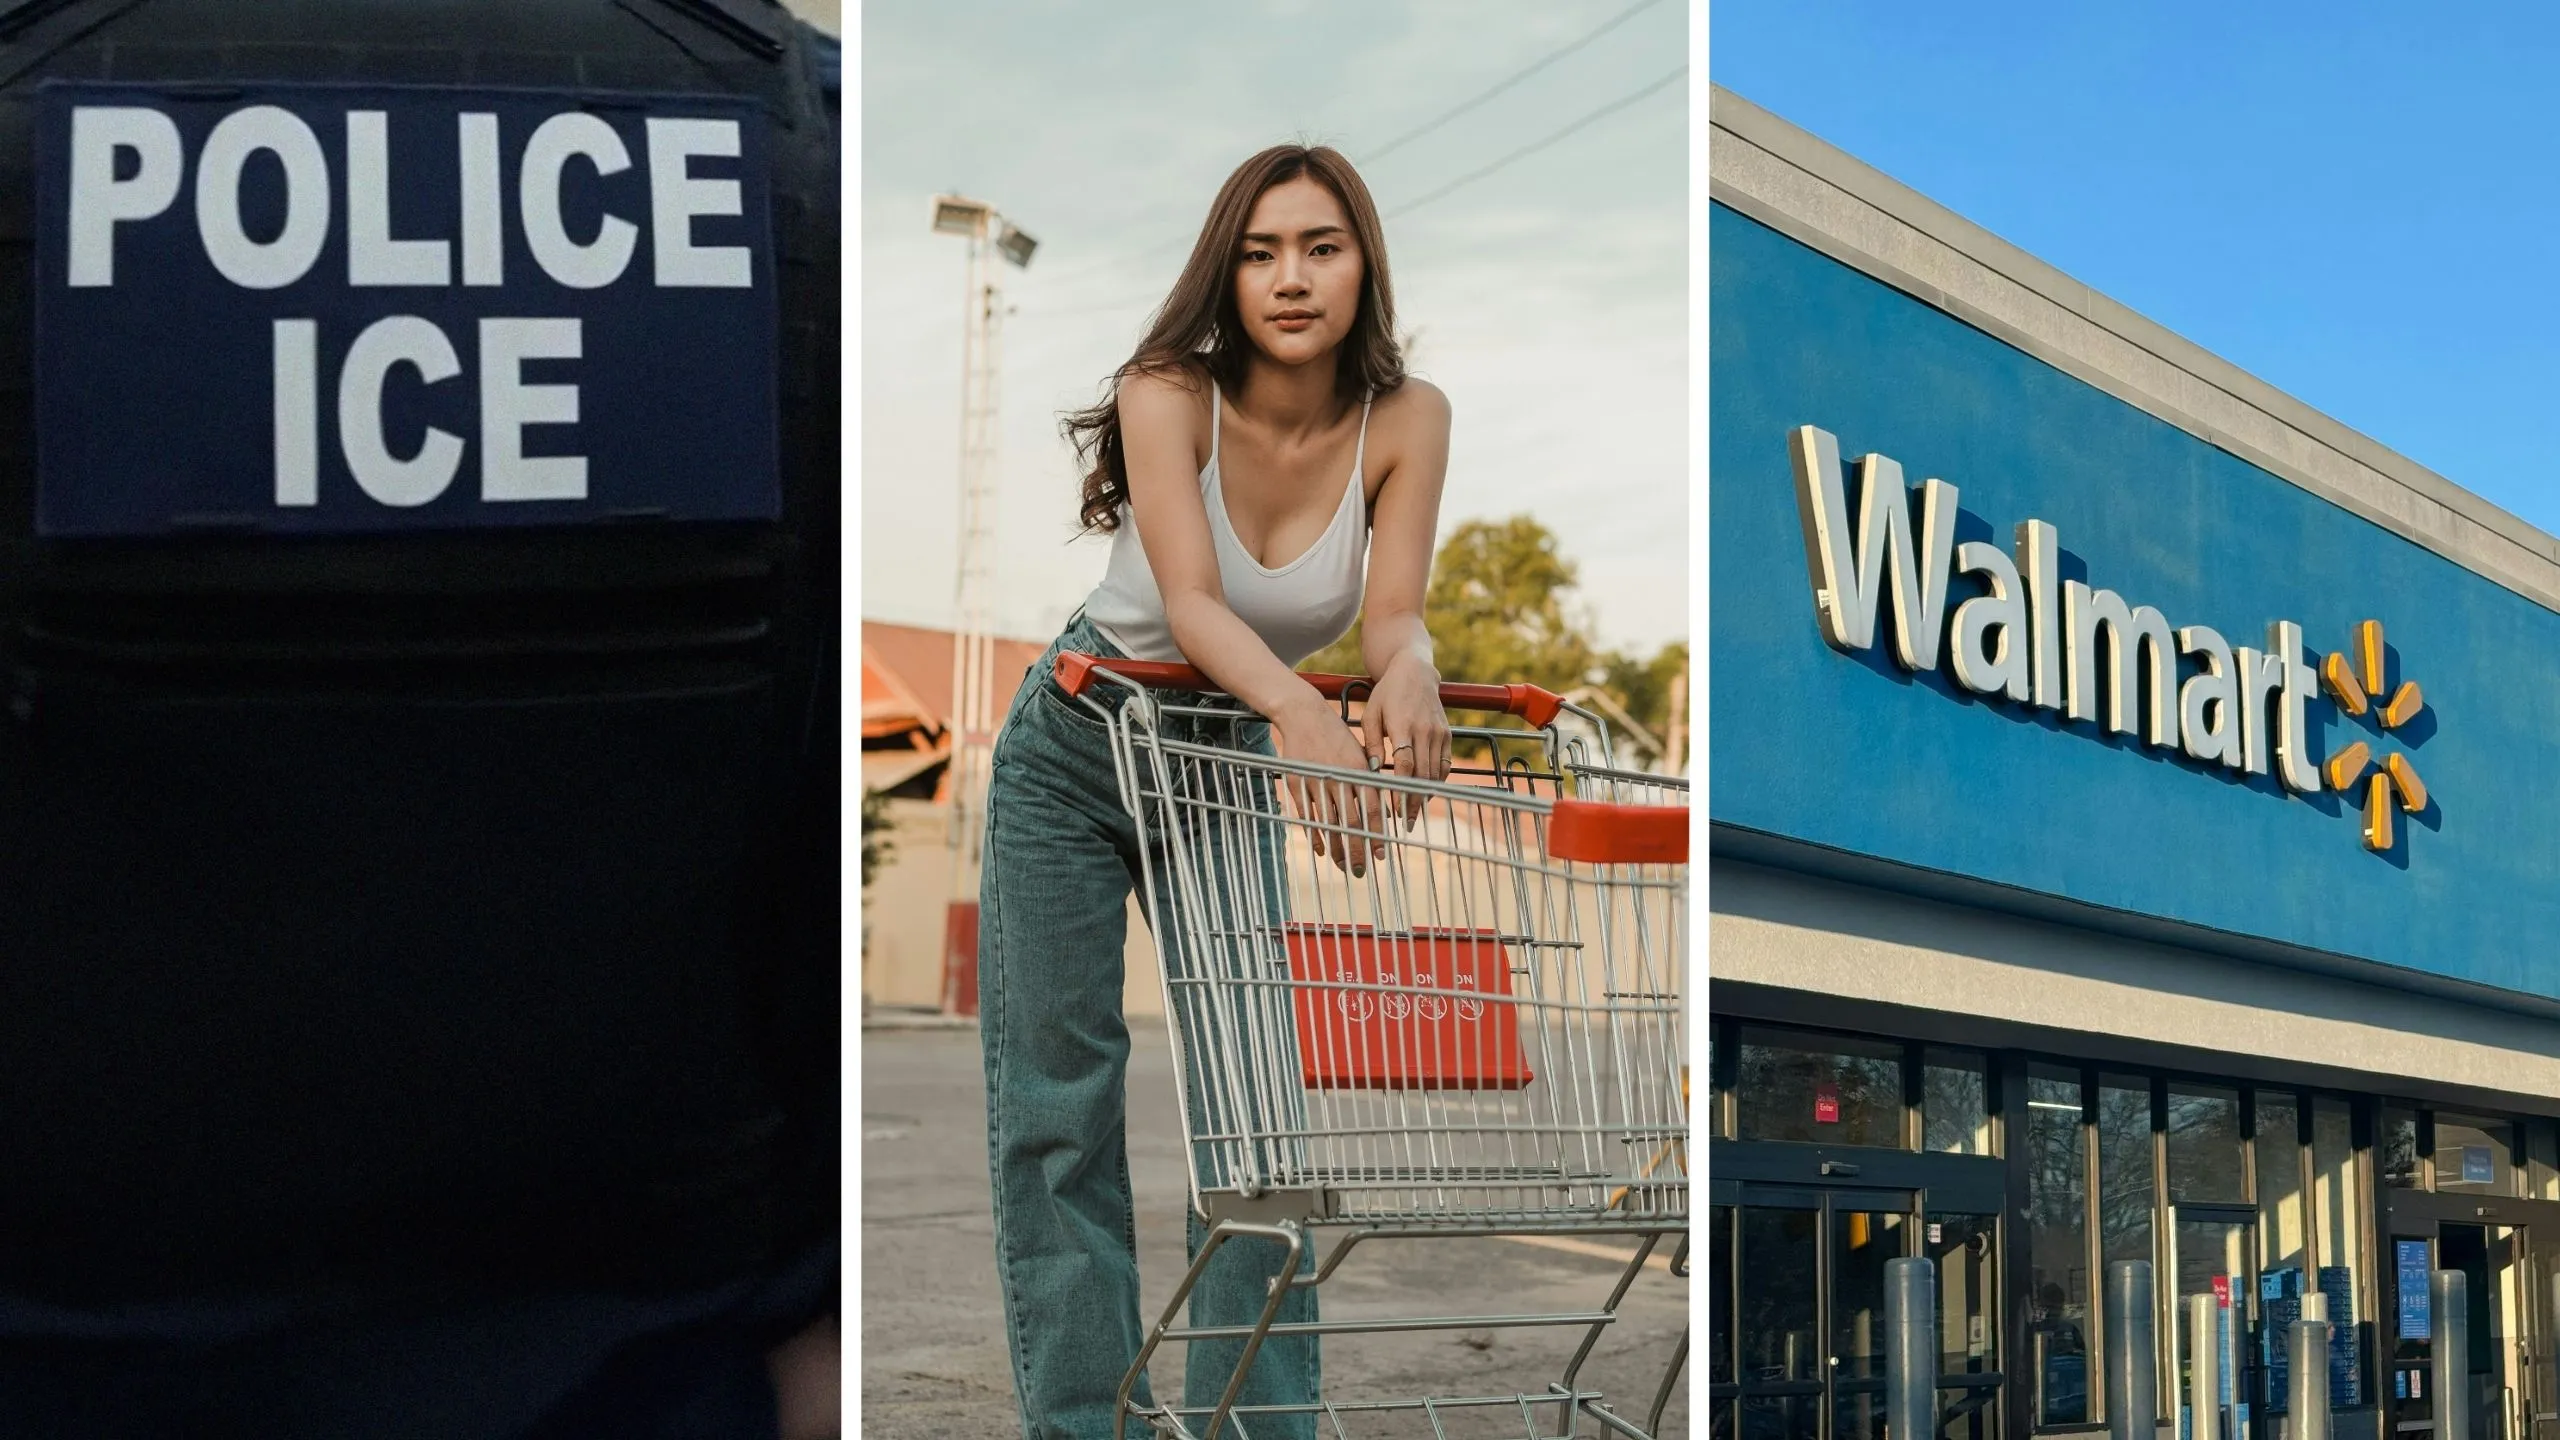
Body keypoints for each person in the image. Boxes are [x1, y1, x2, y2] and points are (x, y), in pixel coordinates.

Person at [977, 143, 1455, 1440]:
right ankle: (1088, 1426)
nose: (1289, 279)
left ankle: (1260, 1430)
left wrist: (1411, 671)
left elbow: (1396, 613)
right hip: (1080, 742)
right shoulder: (1163, 390)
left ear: (1365, 261)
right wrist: (1305, 708)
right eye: (1259, 253)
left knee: (1256, 1126)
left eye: (1320, 246)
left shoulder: (1409, 422)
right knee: (1056, 1117)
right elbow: (1191, 598)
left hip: (1219, 762)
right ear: (1226, 274)